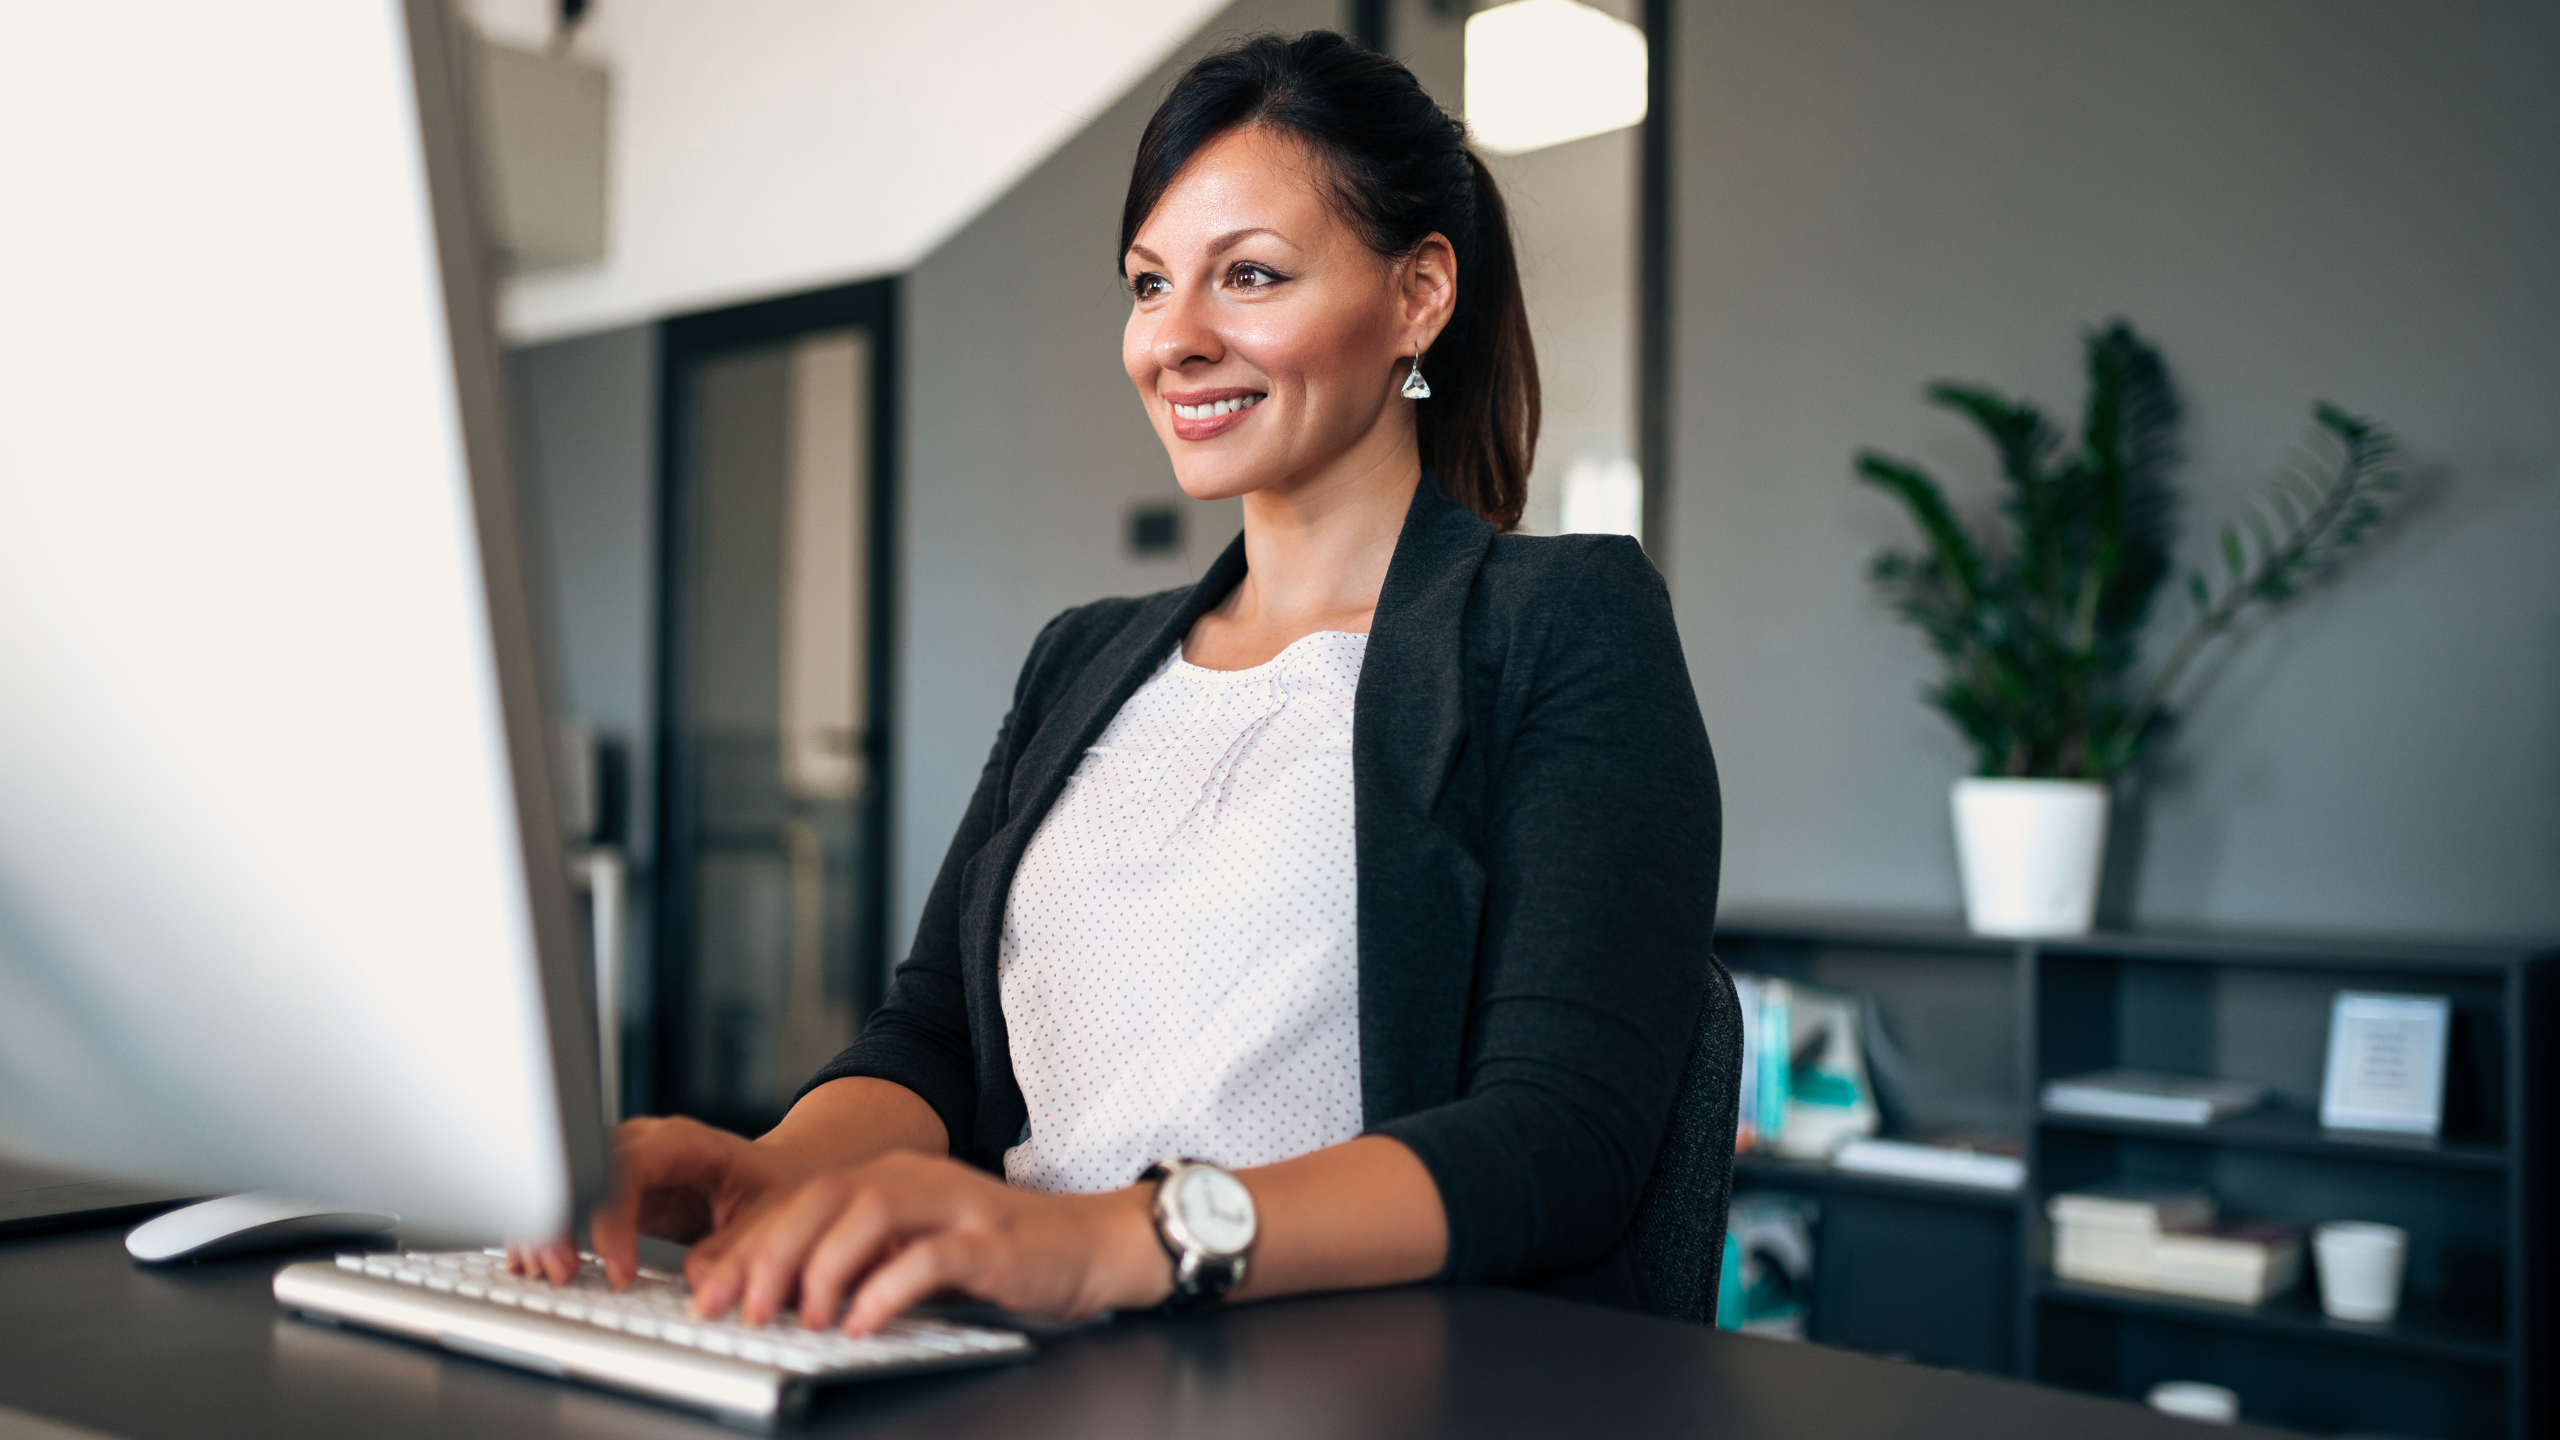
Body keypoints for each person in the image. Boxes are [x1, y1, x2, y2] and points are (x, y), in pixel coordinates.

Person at [516, 29, 1720, 1333]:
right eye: (1149, 284)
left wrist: (1114, 1241)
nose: (1175, 340)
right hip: (1011, 1352)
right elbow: (938, 1037)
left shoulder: (1563, 621)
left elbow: (1557, 1145)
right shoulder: (1083, 659)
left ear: (1420, 294)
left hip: (1335, 1370)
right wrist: (774, 1168)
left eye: (1248, 276)